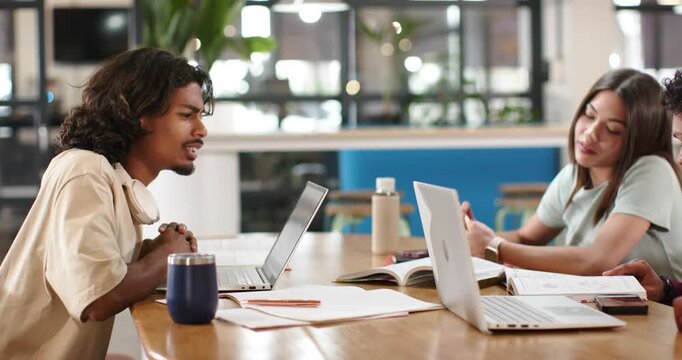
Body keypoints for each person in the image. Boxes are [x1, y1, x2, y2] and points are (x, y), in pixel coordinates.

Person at [0, 48, 214, 358]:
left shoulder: (112, 180)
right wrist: (168, 254)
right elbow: (100, 297)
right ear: (139, 115)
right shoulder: (86, 171)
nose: (201, 130)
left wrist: (149, 254)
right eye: (186, 115)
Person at [464, 68, 682, 279]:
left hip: (660, 311)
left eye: (613, 129)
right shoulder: (573, 176)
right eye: (589, 115)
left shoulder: (653, 170)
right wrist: (474, 236)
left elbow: (598, 260)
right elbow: (525, 238)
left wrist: (494, 246)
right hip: (606, 305)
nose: (591, 133)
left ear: (640, 138)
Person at [604, 69, 682, 331]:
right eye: (680, 141)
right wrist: (666, 288)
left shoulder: (653, 170)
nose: (680, 158)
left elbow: (596, 259)